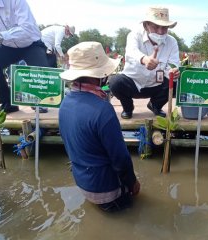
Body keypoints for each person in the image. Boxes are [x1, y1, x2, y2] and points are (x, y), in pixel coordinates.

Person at [59, 41, 140, 212]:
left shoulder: (65, 103)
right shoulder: (103, 109)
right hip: (106, 190)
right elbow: (120, 158)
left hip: (82, 182)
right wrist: (132, 182)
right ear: (99, 75)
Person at [109, 6, 180, 119]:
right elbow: (131, 52)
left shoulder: (172, 42)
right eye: (156, 27)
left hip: (156, 85)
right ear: (146, 25)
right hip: (133, 83)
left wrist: (174, 71)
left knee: (176, 80)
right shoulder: (134, 35)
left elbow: (173, 64)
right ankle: (128, 108)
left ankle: (155, 104)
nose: (161, 32)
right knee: (115, 82)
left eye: (165, 28)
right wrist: (144, 59)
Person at [0, 0, 49, 113]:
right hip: (7, 47)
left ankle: (40, 102)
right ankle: (7, 101)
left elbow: (28, 29)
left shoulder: (15, 1)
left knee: (41, 76)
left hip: (31, 44)